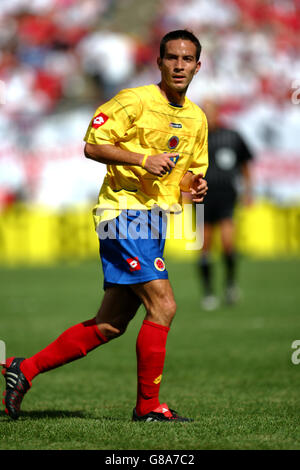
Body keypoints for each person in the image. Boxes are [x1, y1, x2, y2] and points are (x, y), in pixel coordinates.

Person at [2, 30, 208, 422]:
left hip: (155, 221)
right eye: (172, 58)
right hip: (123, 215)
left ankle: (22, 370)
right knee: (164, 305)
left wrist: (193, 187)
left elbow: (185, 179)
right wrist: (141, 158)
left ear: (198, 66)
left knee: (110, 324)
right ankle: (148, 408)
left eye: (187, 59)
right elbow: (93, 145)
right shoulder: (134, 101)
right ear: (159, 62)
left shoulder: (197, 119)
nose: (179, 65)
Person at [198, 99, 253, 311]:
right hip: (202, 197)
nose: (208, 116)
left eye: (211, 112)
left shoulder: (233, 136)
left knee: (228, 242)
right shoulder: (195, 138)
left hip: (226, 195)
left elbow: (246, 164)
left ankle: (230, 284)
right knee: (205, 247)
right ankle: (208, 292)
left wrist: (248, 191)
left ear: (218, 113)